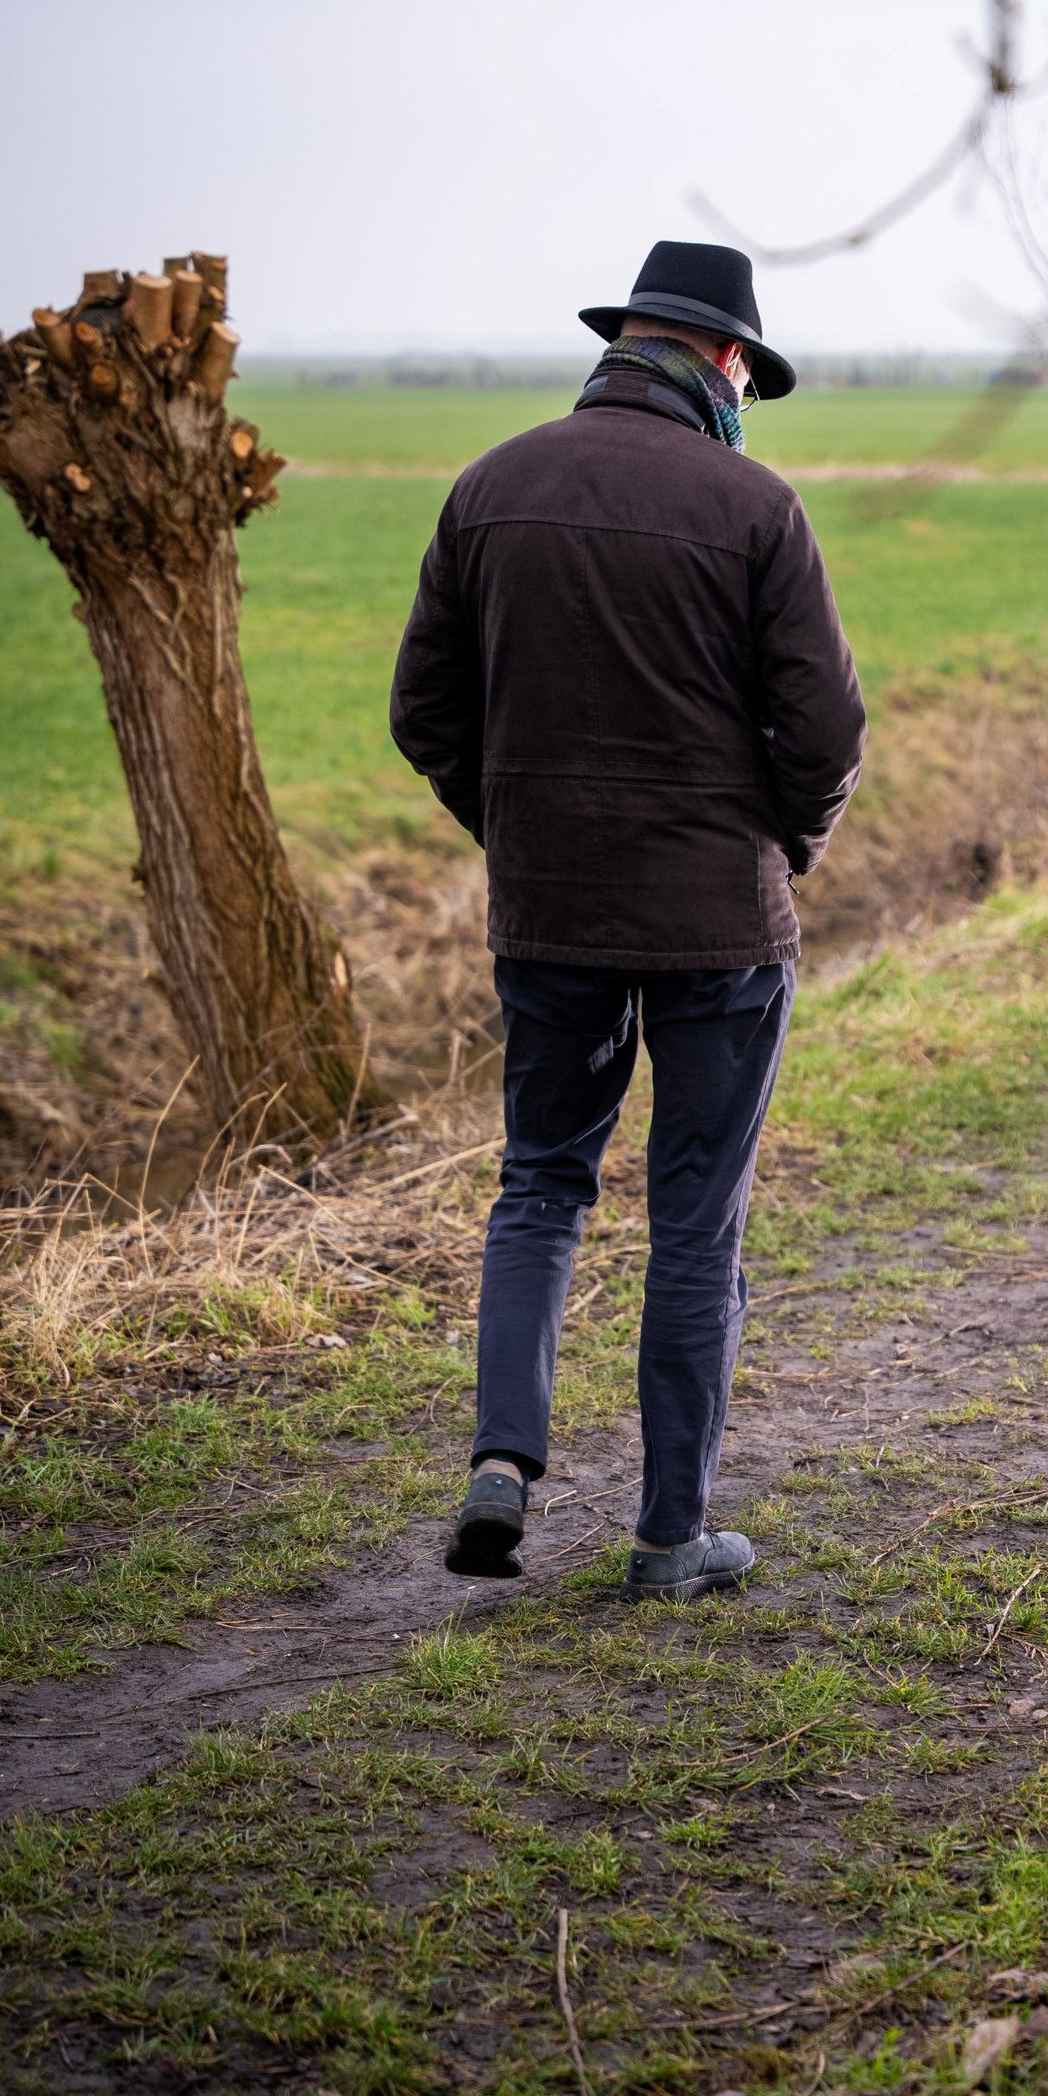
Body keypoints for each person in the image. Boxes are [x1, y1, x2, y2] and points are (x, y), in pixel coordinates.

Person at [390, 241, 866, 1601]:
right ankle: (669, 1537)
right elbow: (825, 727)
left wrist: (523, 831)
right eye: (748, 377)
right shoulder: (756, 505)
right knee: (695, 1222)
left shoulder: (489, 488)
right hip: (721, 924)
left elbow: (423, 713)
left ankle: (504, 1463)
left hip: (547, 918)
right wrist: (793, 844)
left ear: (621, 346)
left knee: (539, 1186)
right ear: (724, 360)